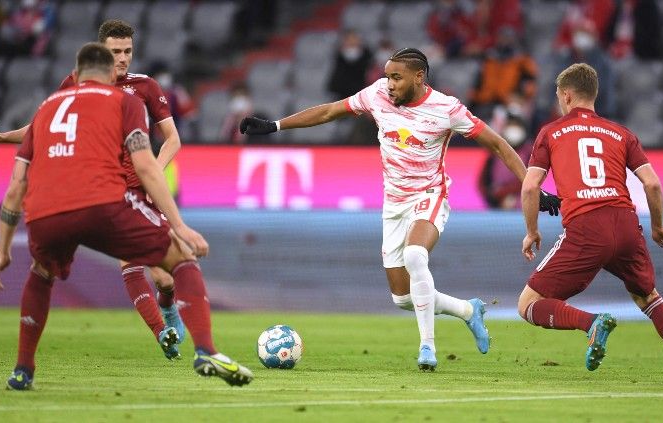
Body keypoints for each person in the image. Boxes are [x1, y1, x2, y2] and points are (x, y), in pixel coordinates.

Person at [239, 48, 560, 371]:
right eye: (388, 76)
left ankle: (427, 348)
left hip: (430, 194)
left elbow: (498, 144)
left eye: (396, 77)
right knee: (403, 298)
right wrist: (276, 126)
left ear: (418, 77)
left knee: (415, 256)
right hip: (393, 203)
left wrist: (530, 185)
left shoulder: (447, 109)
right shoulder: (377, 94)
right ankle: (467, 310)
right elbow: (329, 112)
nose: (389, 83)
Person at [0, 42, 253, 390]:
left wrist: (3, 251)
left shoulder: (46, 110)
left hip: (45, 211)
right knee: (181, 257)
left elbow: (16, 186)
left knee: (41, 273)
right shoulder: (124, 101)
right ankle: (205, 350)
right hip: (103, 204)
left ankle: (22, 371)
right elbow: (144, 164)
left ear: (77, 73)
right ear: (108, 72)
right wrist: (179, 225)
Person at [0, 19, 186, 360]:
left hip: (142, 187)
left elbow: (173, 140)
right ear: (102, 54)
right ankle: (162, 333)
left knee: (166, 280)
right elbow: (44, 125)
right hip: (106, 189)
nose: (122, 59)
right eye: (115, 52)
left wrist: (151, 170)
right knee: (132, 263)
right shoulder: (77, 84)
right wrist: (4, 137)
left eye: (127, 52)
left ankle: (168, 309)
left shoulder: (146, 88)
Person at [518, 63, 663, 386]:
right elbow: (651, 183)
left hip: (585, 226)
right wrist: (658, 226)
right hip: (625, 224)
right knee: (649, 298)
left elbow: (529, 187)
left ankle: (591, 324)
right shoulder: (621, 133)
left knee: (528, 305)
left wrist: (532, 231)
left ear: (566, 96)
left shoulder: (551, 132)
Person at [478, 114, 532, 210]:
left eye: (516, 125)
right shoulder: (494, 152)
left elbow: (530, 180)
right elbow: (483, 182)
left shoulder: (529, 153)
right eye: (510, 125)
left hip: (522, 204)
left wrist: (506, 192)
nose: (513, 130)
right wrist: (493, 197)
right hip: (496, 206)